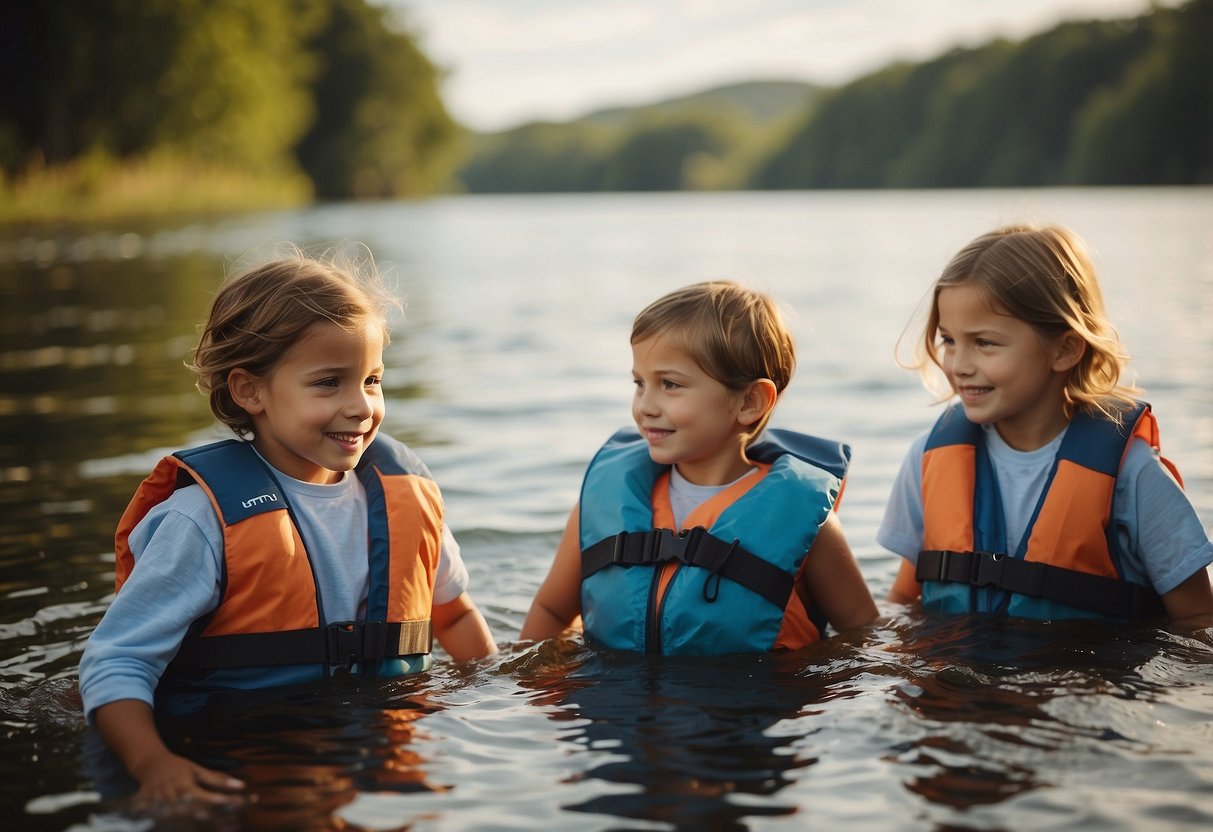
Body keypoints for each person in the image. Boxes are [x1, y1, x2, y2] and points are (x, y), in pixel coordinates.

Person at [78, 248, 497, 809]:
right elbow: (116, 662)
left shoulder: (405, 497)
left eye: (371, 380)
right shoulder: (202, 521)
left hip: (376, 743)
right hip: (238, 754)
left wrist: (494, 707)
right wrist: (154, 765)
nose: (360, 406)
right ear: (250, 391)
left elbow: (455, 612)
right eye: (328, 383)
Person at [879, 224, 1213, 627]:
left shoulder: (1135, 474)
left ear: (1065, 348)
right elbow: (903, 599)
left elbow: (1198, 618)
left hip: (1089, 680)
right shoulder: (926, 459)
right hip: (959, 679)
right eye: (949, 340)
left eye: (984, 342)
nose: (958, 365)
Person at [521, 281, 878, 654]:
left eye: (670, 384)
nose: (645, 405)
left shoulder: (809, 523)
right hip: (617, 702)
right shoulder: (599, 505)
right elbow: (550, 609)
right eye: (639, 383)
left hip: (753, 704)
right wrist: (532, 695)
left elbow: (863, 634)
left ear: (750, 402)